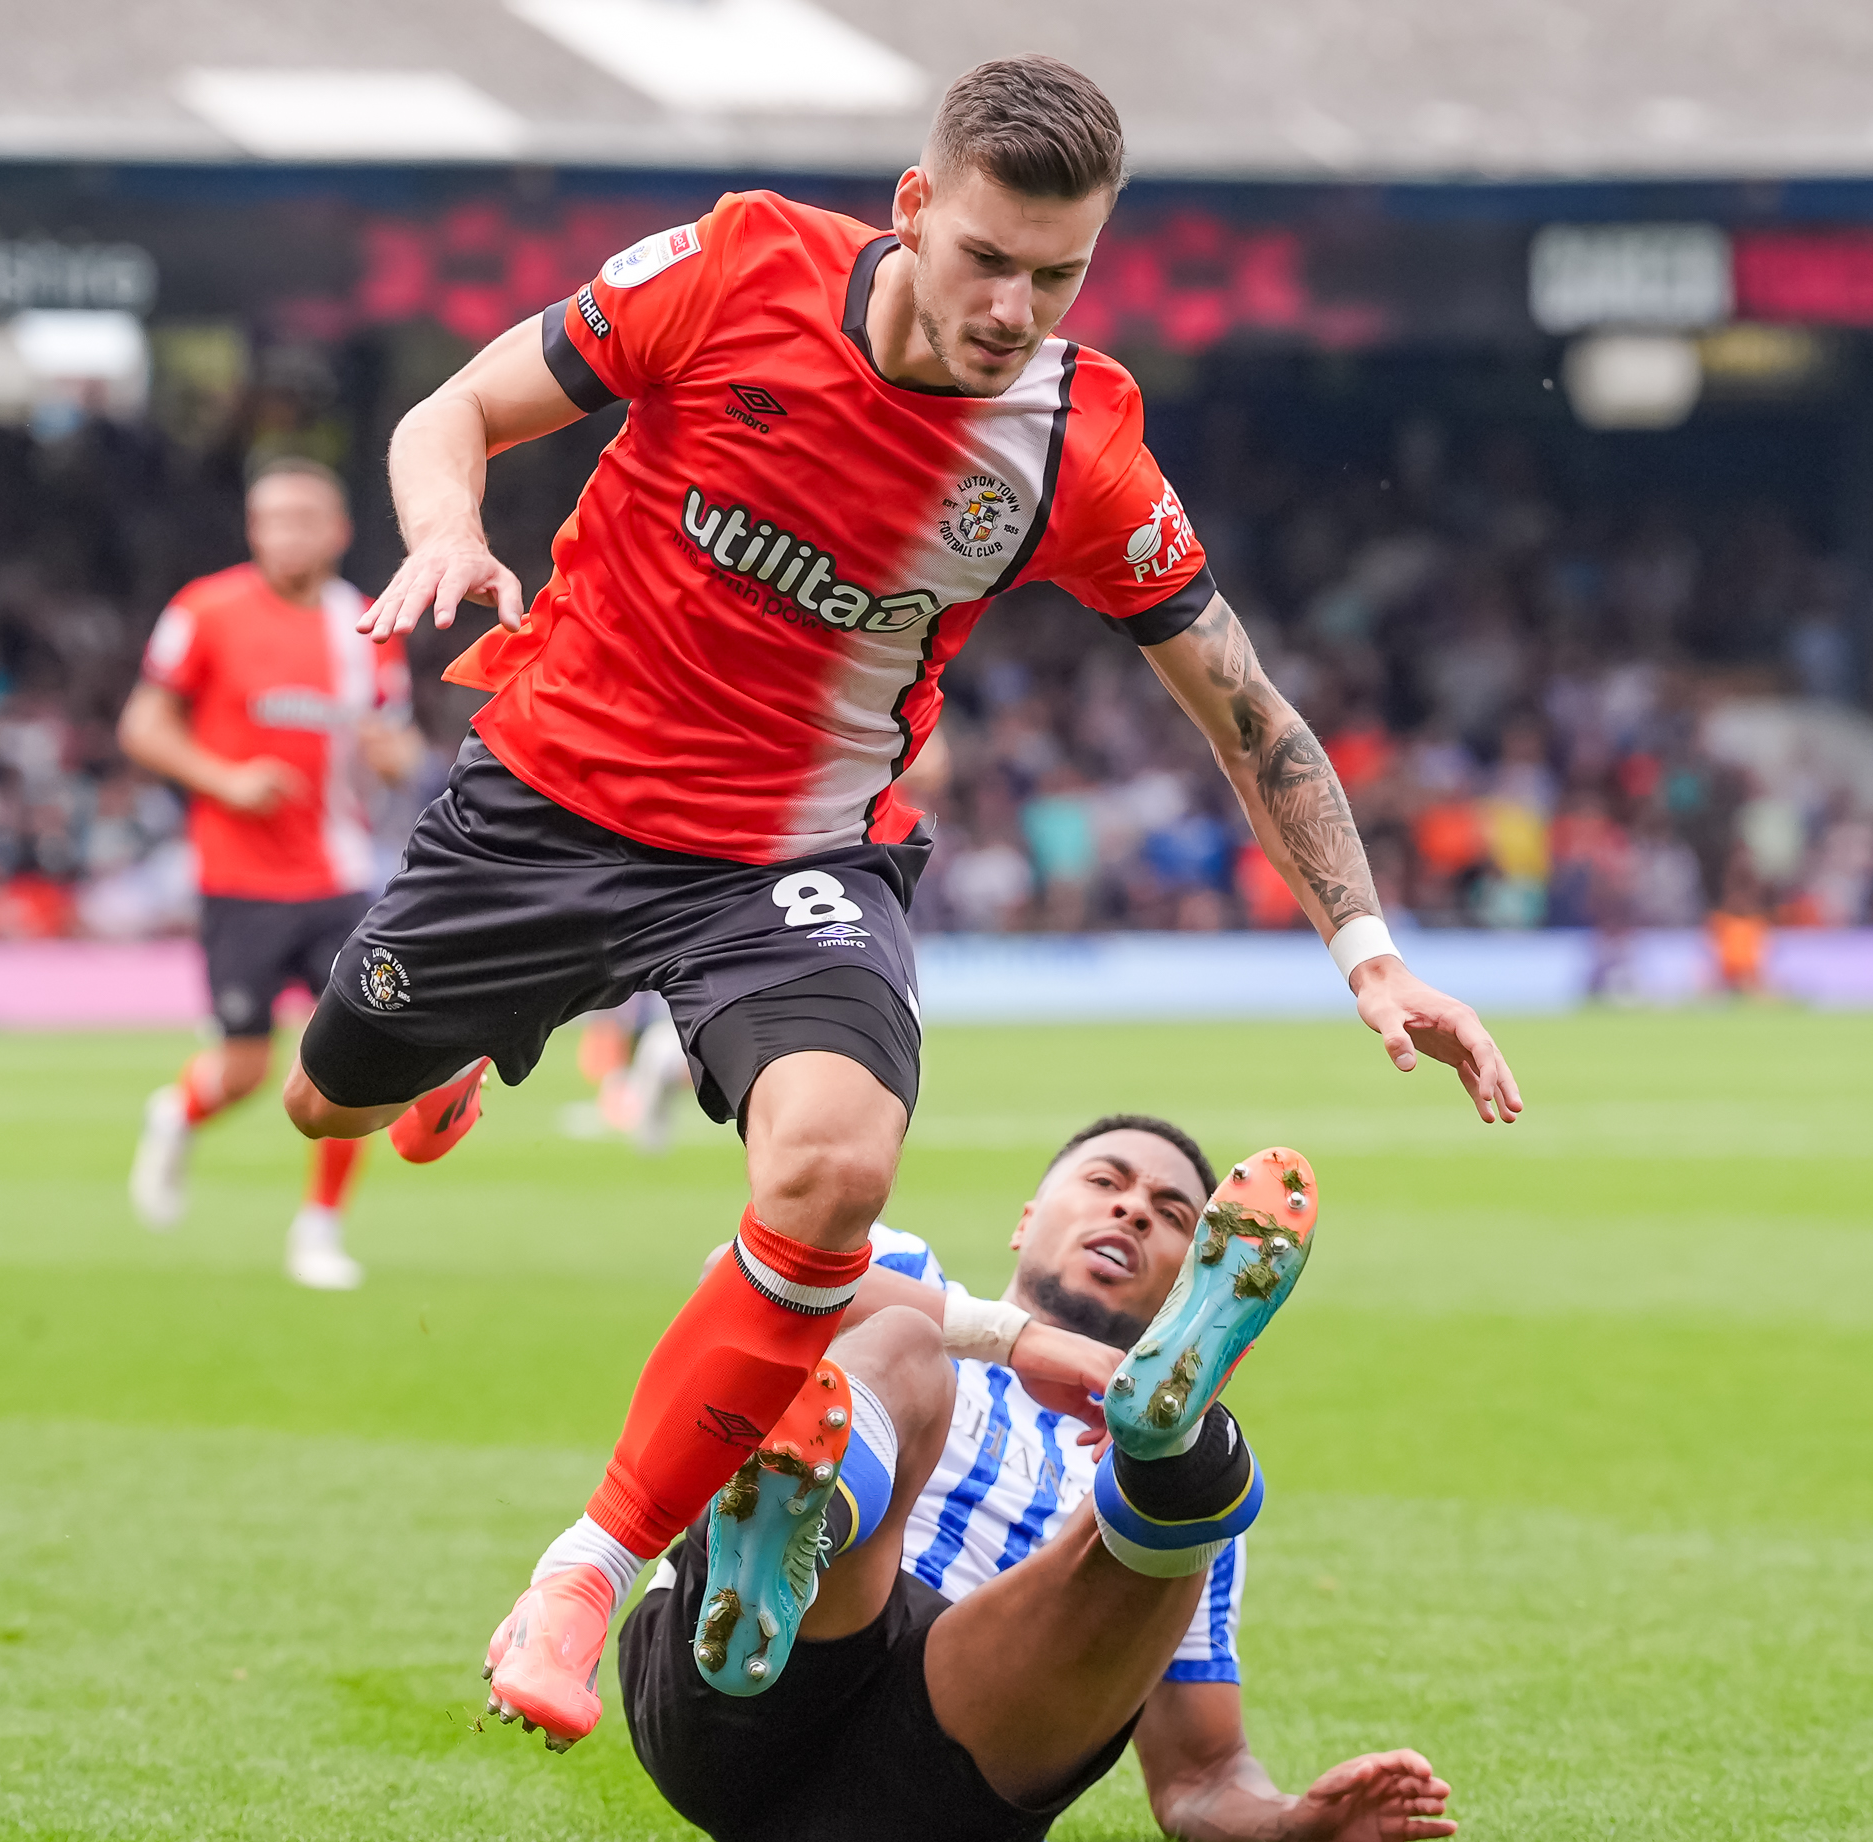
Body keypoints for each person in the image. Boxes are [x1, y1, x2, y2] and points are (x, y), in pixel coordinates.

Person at [283, 54, 1523, 1747]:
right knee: (326, 1101)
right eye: (988, 260)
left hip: (786, 858)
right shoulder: (735, 269)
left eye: (1058, 276)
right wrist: (444, 530)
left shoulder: (1073, 449)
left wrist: (1371, 957)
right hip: (546, 806)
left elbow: (1249, 716)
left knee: (834, 1170)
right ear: (916, 208)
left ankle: (586, 1571)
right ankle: (441, 1067)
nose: (1015, 310)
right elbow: (453, 412)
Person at [613, 1114, 1459, 1842]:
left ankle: (1164, 1434)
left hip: (949, 1758)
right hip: (758, 1660)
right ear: (1027, 1220)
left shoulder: (1195, 1531)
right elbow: (735, 1286)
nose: (1133, 1210)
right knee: (906, 1341)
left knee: (1192, 1491)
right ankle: (780, 1546)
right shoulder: (909, 1272)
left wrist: (1292, 1821)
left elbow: (1201, 1774)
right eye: (1106, 1181)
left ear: (1184, 1281)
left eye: (1172, 1214)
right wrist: (1016, 1342)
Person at [120, 459, 425, 1290]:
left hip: (340, 875)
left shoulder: (369, 622)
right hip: (238, 879)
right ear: (253, 531)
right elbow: (143, 724)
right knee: (246, 1071)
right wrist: (225, 780)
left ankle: (319, 1230)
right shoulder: (204, 611)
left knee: (356, 1053)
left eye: (303, 518)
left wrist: (396, 757)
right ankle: (177, 1113)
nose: (286, 533)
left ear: (338, 531)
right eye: (272, 519)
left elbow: (394, 743)